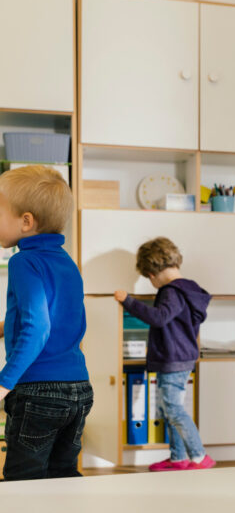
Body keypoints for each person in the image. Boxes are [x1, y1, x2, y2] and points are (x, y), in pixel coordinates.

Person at [0, 165, 91, 480]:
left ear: (26, 221)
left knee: (23, 480)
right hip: (79, 388)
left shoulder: (23, 261)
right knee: (62, 474)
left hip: (38, 391)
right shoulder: (68, 263)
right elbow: (65, 320)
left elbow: (37, 328)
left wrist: (4, 382)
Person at [114, 237, 214, 472]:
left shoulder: (171, 292)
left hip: (173, 358)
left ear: (152, 273)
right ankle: (178, 458)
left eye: (149, 277)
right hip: (182, 356)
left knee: (174, 410)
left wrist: (128, 301)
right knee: (171, 410)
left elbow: (159, 317)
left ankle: (199, 456)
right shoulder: (189, 289)